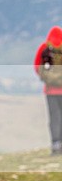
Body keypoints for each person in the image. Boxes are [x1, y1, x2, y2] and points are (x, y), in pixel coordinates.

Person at [34, 26, 62, 155]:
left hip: (50, 90)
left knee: (54, 117)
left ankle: (56, 145)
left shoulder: (44, 48)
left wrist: (45, 78)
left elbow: (37, 66)